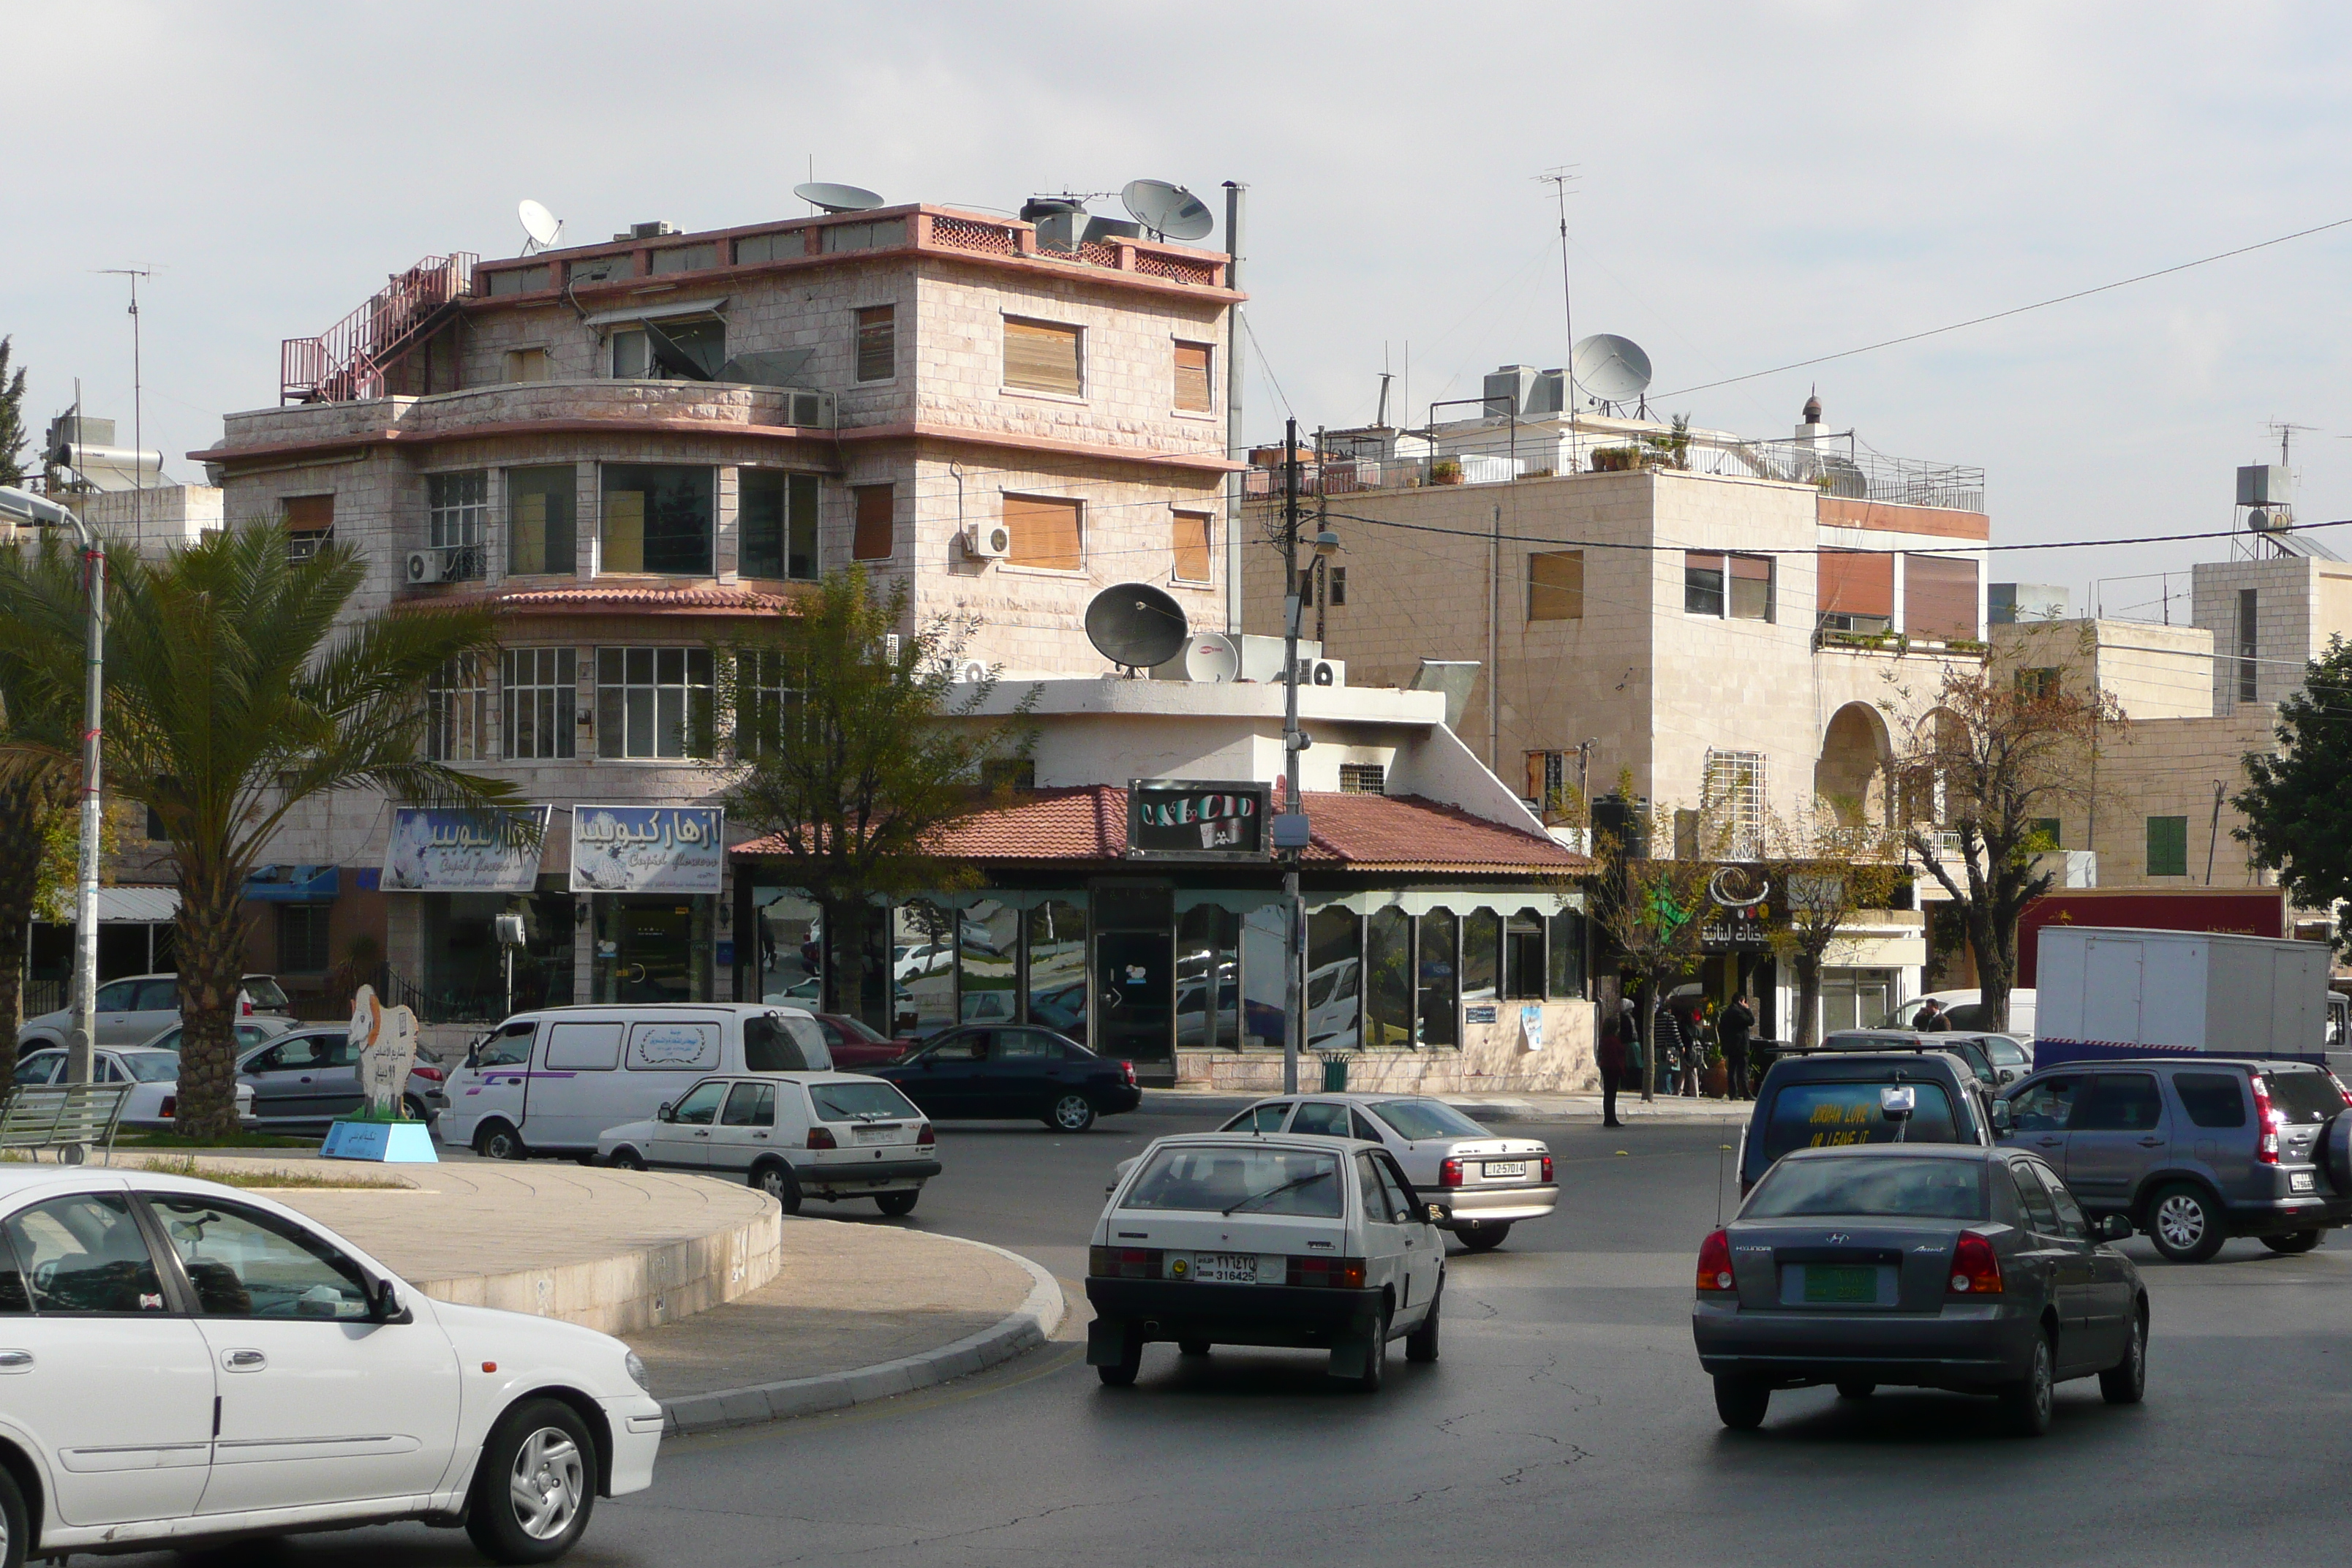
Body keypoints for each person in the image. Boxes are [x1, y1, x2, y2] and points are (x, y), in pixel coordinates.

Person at [1719, 992, 1755, 1100]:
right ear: (1740, 1001)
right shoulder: (1739, 1013)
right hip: (1741, 1046)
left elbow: (1722, 1030)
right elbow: (1751, 1021)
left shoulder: (1726, 1013)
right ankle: (1746, 1093)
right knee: (1743, 1071)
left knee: (1732, 1070)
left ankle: (1733, 1093)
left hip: (1730, 1046)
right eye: (1744, 1002)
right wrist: (1747, 1009)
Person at [1597, 1001, 1627, 1128]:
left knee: (1608, 1095)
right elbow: (1615, 1056)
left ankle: (1609, 1118)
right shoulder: (1613, 1040)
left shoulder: (1604, 1039)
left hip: (1606, 1067)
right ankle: (1610, 1118)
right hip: (1612, 1068)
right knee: (1611, 1095)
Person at [1654, 999, 1686, 1096]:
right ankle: (1667, 1091)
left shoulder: (1656, 1018)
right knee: (1668, 1070)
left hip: (1659, 1048)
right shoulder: (1670, 1018)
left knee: (1661, 1071)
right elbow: (1675, 1034)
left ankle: (1664, 1089)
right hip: (1670, 1049)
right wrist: (1681, 1046)